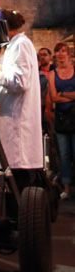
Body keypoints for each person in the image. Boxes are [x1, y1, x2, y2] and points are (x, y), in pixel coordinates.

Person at [0, 9, 43, 193]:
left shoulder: (21, 45)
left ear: (2, 26)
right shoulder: (16, 45)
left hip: (19, 128)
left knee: (20, 183)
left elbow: (19, 81)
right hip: (14, 123)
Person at [47, 42, 75, 199]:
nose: (61, 54)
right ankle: (66, 187)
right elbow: (53, 97)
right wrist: (70, 95)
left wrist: (63, 93)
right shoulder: (52, 74)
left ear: (68, 54)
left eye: (64, 51)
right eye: (58, 51)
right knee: (64, 154)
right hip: (62, 119)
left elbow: (59, 95)